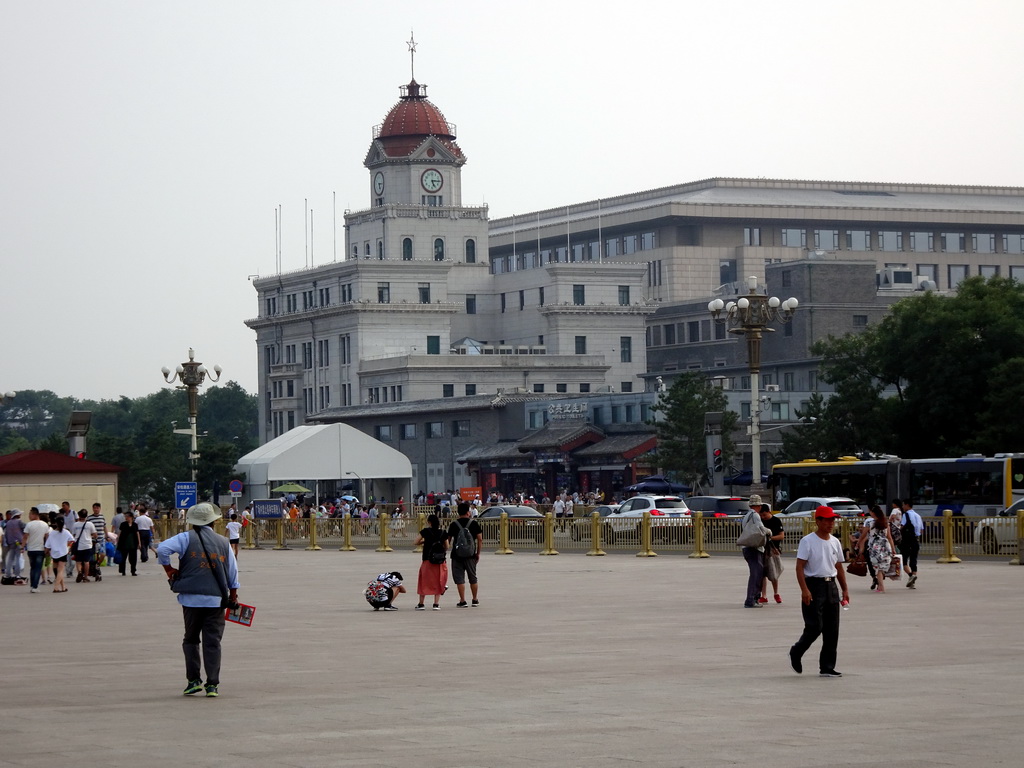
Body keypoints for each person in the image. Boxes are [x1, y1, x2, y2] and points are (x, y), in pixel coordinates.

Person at [157, 502, 240, 698]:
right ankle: (212, 685)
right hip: (215, 601)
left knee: (191, 639)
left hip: (191, 599)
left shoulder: (185, 538)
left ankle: (193, 681)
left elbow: (162, 549)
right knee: (213, 642)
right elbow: (233, 574)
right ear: (213, 521)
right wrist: (233, 597)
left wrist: (168, 570)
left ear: (192, 522)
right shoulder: (223, 542)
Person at [790, 505, 849, 678]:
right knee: (815, 626)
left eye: (833, 520)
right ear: (818, 521)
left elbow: (838, 567)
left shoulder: (835, 542)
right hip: (814, 586)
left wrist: (844, 589)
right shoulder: (808, 541)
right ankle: (796, 651)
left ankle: (827, 667)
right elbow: (799, 566)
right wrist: (804, 590)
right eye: (828, 519)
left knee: (832, 629)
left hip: (831, 586)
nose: (831, 523)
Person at [447, 501, 483, 607]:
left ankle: (462, 600)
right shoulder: (474, 523)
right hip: (471, 555)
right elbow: (480, 539)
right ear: (468, 512)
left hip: (456, 555)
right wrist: (478, 553)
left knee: (459, 579)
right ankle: (475, 599)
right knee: (473, 578)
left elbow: (448, 541)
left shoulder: (453, 524)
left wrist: (445, 551)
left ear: (458, 513)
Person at [740, 495, 770, 608]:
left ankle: (754, 598)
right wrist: (769, 531)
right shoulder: (755, 515)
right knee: (756, 574)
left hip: (746, 548)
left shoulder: (747, 515)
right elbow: (761, 529)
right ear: (759, 505)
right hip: (754, 548)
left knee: (757, 573)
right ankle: (751, 599)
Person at [413, 513, 449, 610]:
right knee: (439, 581)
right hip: (440, 561)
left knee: (424, 581)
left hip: (427, 560)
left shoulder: (425, 531)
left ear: (429, 522)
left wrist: (424, 541)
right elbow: (447, 546)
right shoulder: (442, 532)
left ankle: (421, 603)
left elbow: (415, 542)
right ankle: (436, 604)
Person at [864, 505, 896, 593]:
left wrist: (859, 543)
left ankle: (881, 587)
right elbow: (889, 537)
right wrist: (893, 549)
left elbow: (863, 535)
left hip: (875, 547)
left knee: (877, 567)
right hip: (885, 546)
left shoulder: (869, 523)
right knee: (881, 567)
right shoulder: (886, 523)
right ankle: (880, 586)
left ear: (873, 513)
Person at [758, 503, 785, 604]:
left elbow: (781, 536)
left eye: (764, 515)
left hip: (774, 550)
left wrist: (769, 539)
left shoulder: (776, 521)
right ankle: (763, 595)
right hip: (761, 549)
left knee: (774, 572)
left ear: (769, 512)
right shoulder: (760, 521)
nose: (763, 517)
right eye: (761, 515)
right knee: (762, 574)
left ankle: (776, 593)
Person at [45, 516, 75, 593]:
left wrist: (46, 551)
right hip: (63, 552)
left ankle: (63, 587)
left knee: (56, 571)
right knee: (60, 571)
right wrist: (68, 546)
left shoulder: (52, 533)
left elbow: (47, 545)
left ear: (56, 523)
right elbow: (72, 540)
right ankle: (56, 587)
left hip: (54, 553)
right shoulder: (66, 532)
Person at [24, 508, 50, 593]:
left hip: (31, 549)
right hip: (40, 549)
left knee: (33, 567)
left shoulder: (29, 525)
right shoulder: (45, 525)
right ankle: (35, 586)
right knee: (38, 568)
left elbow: (25, 536)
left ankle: (32, 585)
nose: (29, 516)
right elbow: (47, 537)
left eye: (30, 514)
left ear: (34, 515)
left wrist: (22, 547)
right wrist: (47, 548)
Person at [900, 499, 923, 589]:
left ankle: (910, 576)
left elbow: (902, 526)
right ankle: (913, 578)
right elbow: (921, 530)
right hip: (915, 540)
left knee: (904, 560)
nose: (902, 507)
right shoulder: (918, 516)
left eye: (903, 505)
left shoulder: (906, 514)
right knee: (913, 560)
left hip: (906, 540)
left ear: (907, 505)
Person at [71, 510, 97, 583]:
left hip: (78, 545)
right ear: (86, 516)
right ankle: (85, 577)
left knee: (78, 561)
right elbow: (95, 535)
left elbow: (73, 535)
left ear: (79, 516)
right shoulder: (90, 524)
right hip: (88, 545)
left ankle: (79, 572)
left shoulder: (75, 524)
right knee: (86, 562)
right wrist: (90, 535)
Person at [3, 509, 26, 585]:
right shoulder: (19, 522)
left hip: (11, 542)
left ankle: (8, 574)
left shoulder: (8, 523)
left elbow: (6, 533)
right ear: (17, 515)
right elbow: (25, 529)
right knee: (18, 558)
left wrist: (8, 542)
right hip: (18, 542)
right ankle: (17, 574)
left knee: (10, 559)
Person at [116, 511, 141, 576]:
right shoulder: (123, 524)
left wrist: (139, 543)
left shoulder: (135, 524)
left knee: (133, 559)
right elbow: (120, 533)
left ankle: (133, 571)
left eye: (127, 516)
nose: (126, 518)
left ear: (131, 517)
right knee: (123, 558)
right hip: (124, 544)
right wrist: (117, 541)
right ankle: (123, 571)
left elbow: (137, 533)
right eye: (125, 516)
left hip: (133, 544)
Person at [86, 503, 107, 581]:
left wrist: (107, 535)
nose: (96, 509)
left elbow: (104, 527)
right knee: (91, 557)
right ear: (92, 509)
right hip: (92, 540)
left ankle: (97, 565)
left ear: (100, 508)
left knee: (103, 554)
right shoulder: (89, 518)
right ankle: (92, 569)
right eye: (94, 508)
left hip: (101, 539)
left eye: (97, 508)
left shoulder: (102, 517)